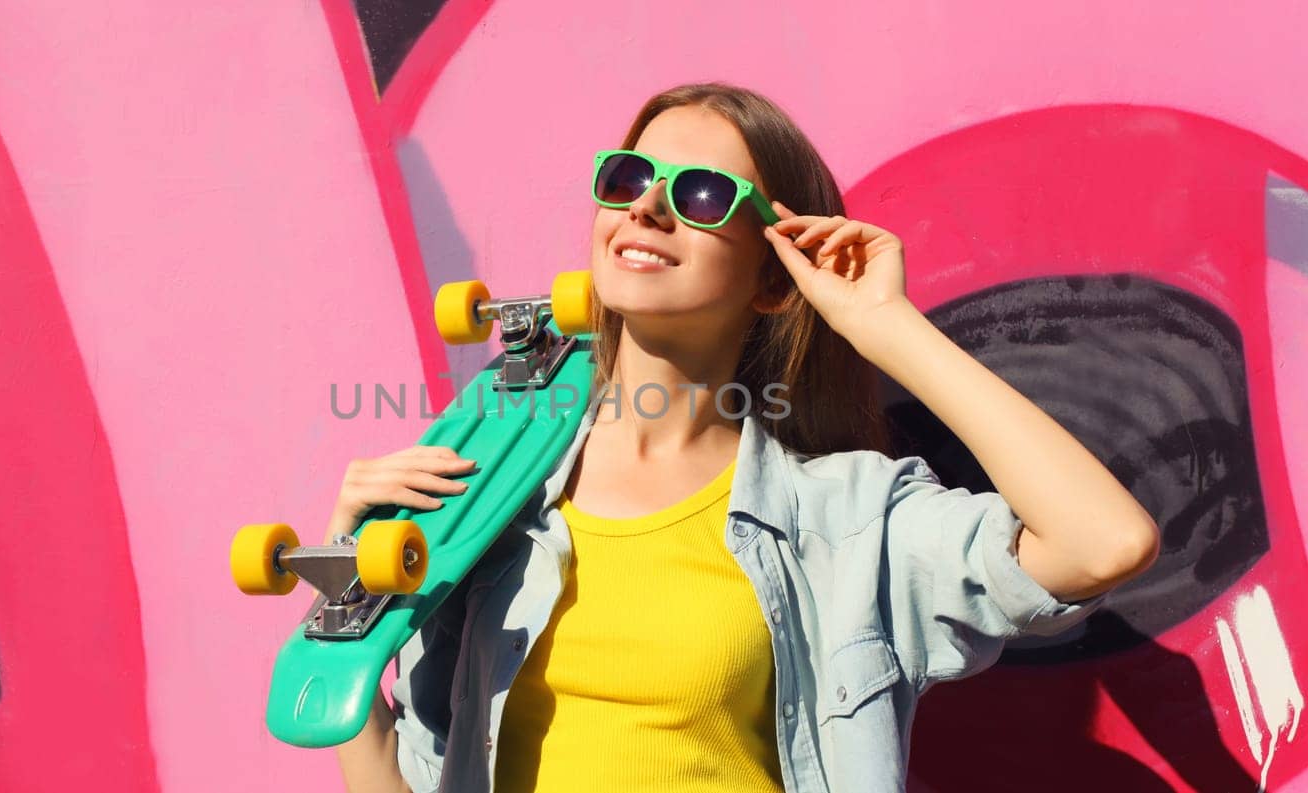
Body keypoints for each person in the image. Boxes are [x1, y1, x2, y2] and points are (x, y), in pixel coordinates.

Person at [323, 82, 1160, 793]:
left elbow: (1104, 542)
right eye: (628, 178)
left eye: (700, 195)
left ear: (772, 278)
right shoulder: (492, 487)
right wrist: (344, 608)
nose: (646, 205)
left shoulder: (845, 522)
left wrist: (887, 327)